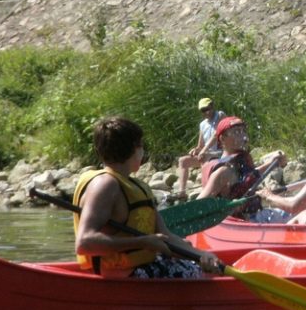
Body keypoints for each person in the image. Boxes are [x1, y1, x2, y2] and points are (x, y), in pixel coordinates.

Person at [73, 116, 220, 278]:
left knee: (204, 267)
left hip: (138, 266)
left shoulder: (135, 186)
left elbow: (166, 237)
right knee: (205, 276)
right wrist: (142, 242)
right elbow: (85, 243)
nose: (143, 152)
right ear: (134, 149)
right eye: (141, 146)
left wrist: (200, 255)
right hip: (121, 274)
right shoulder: (106, 185)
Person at [197, 115, 290, 223]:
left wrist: (273, 163)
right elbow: (199, 205)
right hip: (243, 223)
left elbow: (250, 176)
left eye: (243, 131)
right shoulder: (223, 172)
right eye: (236, 132)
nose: (243, 136)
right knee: (303, 213)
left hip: (257, 214)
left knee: (302, 210)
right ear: (222, 139)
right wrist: (227, 209)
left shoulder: (241, 160)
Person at [176, 98, 226, 199]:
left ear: (212, 106)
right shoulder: (202, 125)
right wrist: (196, 150)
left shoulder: (220, 115)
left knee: (205, 156)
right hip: (208, 155)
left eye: (208, 108)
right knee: (183, 161)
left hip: (221, 153)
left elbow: (216, 134)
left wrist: (203, 151)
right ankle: (182, 192)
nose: (206, 112)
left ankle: (207, 192)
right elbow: (200, 146)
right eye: (203, 110)